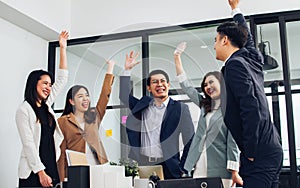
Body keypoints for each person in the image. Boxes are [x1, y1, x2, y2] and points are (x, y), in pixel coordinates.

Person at [216, 0, 283, 187]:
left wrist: (250, 150)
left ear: (225, 40)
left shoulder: (235, 64)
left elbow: (250, 106)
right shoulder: (251, 58)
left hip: (259, 153)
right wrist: (235, 10)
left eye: (215, 40)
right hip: (271, 149)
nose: (214, 46)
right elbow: (249, 39)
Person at [173, 42, 242, 188]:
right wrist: (177, 57)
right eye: (205, 85)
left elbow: (233, 142)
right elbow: (187, 86)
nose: (208, 87)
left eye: (211, 82)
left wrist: (234, 171)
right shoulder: (205, 106)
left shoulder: (230, 109)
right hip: (199, 164)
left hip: (221, 167)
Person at [119, 51, 195, 179]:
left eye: (162, 81)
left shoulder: (180, 108)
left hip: (170, 167)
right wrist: (127, 70)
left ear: (168, 85)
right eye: (155, 82)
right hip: (145, 164)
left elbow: (190, 140)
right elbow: (124, 96)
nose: (159, 84)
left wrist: (183, 167)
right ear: (149, 88)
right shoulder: (143, 105)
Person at [15, 31, 69, 187]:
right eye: (45, 83)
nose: (49, 87)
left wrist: (63, 49)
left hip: (51, 166)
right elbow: (29, 144)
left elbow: (62, 79)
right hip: (34, 171)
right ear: (34, 83)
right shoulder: (24, 110)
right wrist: (40, 172)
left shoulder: (46, 105)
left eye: (50, 84)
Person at [57, 60, 115, 182]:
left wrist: (110, 68)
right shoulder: (63, 122)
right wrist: (62, 180)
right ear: (71, 101)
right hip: (76, 169)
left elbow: (105, 95)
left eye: (87, 95)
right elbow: (61, 154)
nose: (85, 99)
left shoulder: (94, 116)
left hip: (98, 167)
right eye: (80, 96)